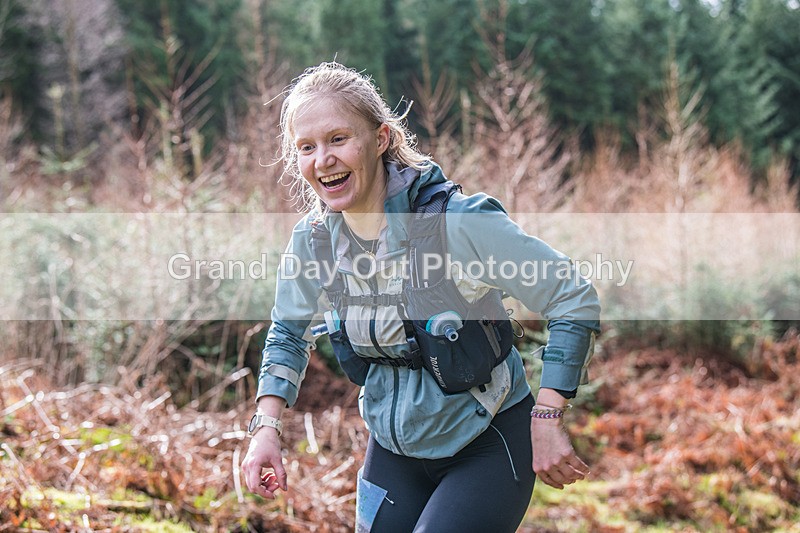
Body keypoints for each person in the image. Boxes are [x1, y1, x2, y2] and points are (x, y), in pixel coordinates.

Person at [242, 61, 600, 532]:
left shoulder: (456, 222)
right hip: (393, 450)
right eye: (306, 147)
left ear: (382, 139)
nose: (322, 159)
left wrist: (548, 414)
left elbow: (572, 296)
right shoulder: (314, 242)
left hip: (487, 441)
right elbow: (288, 332)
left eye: (338, 139)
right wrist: (265, 427)